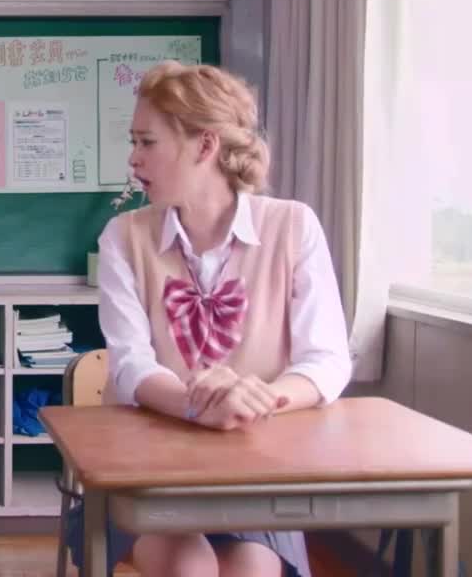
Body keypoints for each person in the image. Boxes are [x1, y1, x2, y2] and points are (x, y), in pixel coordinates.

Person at [72, 61, 353, 577]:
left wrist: (253, 401)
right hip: (144, 469)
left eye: (147, 142)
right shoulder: (123, 237)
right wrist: (198, 406)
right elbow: (130, 365)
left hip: (254, 469)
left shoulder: (294, 226)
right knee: (189, 567)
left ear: (205, 145)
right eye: (134, 142)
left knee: (253, 569)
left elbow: (327, 361)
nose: (133, 159)